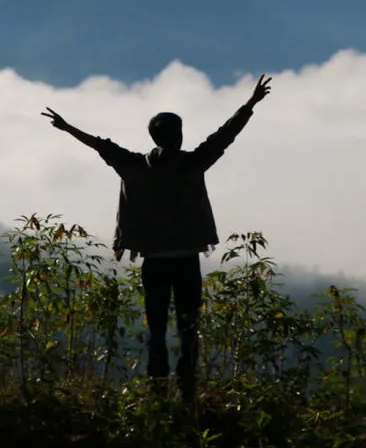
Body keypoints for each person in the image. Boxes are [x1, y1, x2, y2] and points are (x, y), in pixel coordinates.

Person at [41, 74, 272, 401]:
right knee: (188, 326)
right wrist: (249, 105)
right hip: (186, 262)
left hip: (153, 263)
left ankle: (157, 388)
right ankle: (187, 389)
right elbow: (224, 136)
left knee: (157, 328)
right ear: (177, 136)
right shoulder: (192, 164)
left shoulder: (134, 167)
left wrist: (67, 128)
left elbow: (101, 145)